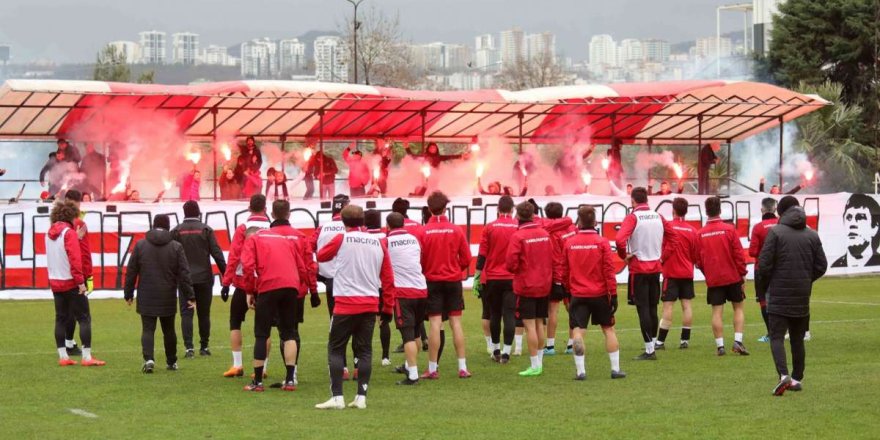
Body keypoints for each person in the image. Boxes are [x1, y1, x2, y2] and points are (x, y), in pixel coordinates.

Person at [315, 204, 394, 409]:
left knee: (335, 348)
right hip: (369, 304)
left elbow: (321, 255)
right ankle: (361, 397)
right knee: (365, 350)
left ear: (343, 221)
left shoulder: (341, 239)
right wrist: (388, 307)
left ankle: (337, 397)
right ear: (363, 221)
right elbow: (388, 278)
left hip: (344, 304)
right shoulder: (378, 243)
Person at [757, 196, 827, 396]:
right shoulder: (812, 235)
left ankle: (783, 375)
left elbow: (764, 264)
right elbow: (822, 266)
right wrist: (806, 279)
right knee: (797, 338)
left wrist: (769, 282)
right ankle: (796, 378)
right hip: (802, 295)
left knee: (777, 336)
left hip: (779, 294)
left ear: (781, 212)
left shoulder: (776, 233)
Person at [240, 200, 309, 392]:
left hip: (269, 285)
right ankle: (289, 381)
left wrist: (249, 291)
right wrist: (302, 288)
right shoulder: (284, 239)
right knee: (289, 333)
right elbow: (302, 267)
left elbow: (247, 267)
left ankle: (258, 382)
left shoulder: (254, 239)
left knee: (262, 333)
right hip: (291, 286)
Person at [124, 214, 195, 373]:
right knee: (169, 329)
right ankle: (171, 361)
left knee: (148, 329)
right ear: (168, 226)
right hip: (167, 294)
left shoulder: (141, 245)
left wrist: (128, 293)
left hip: (146, 294)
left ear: (153, 224)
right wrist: (190, 296)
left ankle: (148, 358)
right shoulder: (176, 246)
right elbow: (184, 273)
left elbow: (131, 271)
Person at [562, 206, 626, 380]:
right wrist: (613, 294)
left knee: (578, 330)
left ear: (579, 222)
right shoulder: (602, 242)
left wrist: (567, 293)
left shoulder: (569, 243)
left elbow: (564, 271)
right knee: (608, 329)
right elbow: (608, 270)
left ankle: (581, 371)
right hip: (599, 294)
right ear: (595, 222)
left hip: (578, 294)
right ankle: (615, 369)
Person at [615, 186, 673, 361]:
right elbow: (674, 238)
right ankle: (652, 344)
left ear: (632, 201)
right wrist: (663, 257)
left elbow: (619, 239)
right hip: (655, 267)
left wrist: (624, 256)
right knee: (653, 307)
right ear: (647, 199)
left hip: (639, 269)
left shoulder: (633, 217)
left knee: (643, 309)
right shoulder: (658, 216)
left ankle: (649, 350)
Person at [420, 191, 472, 379]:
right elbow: (466, 258)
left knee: (435, 323)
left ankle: (433, 369)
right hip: (453, 280)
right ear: (445, 208)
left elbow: (419, 259)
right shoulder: (456, 230)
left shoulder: (423, 231)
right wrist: (455, 269)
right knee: (456, 323)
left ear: (429, 208)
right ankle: (462, 366)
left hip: (432, 281)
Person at [46, 200, 105, 367]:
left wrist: (76, 238)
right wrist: (80, 282)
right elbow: (74, 259)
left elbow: (59, 254)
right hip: (71, 282)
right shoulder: (69, 233)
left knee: (60, 319)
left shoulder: (49, 233)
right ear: (71, 215)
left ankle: (63, 356)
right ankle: (87, 357)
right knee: (84, 318)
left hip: (56, 282)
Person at [220, 195, 271, 378]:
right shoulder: (272, 228)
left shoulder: (243, 228)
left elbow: (234, 256)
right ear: (265, 208)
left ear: (249, 208)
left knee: (235, 322)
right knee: (264, 327)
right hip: (266, 282)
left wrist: (226, 283)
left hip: (243, 282)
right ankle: (263, 367)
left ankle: (237, 365)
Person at [171, 201, 227, 358]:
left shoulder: (176, 231)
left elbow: (170, 255)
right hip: (204, 278)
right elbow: (217, 254)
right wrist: (226, 275)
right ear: (198, 212)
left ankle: (189, 348)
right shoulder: (206, 230)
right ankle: (204, 346)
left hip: (184, 280)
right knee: (204, 313)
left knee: (186, 313)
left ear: (184, 213)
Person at [696, 196, 749, 356]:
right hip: (732, 276)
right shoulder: (729, 229)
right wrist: (742, 274)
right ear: (720, 210)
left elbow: (698, 260)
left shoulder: (700, 233)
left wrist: (708, 273)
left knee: (716, 312)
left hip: (714, 278)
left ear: (706, 211)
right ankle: (738, 342)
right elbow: (739, 254)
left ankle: (720, 346)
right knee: (738, 308)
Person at [505, 201, 553, 377]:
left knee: (529, 325)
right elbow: (551, 257)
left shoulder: (518, 236)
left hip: (526, 285)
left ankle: (534, 365)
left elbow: (510, 263)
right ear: (533, 214)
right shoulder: (544, 234)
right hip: (543, 284)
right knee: (540, 323)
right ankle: (539, 362)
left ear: (518, 216)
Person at [310, 194, 353, 378]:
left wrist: (316, 271)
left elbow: (308, 248)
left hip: (331, 281)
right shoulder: (354, 228)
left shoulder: (322, 228)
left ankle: (340, 366)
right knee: (358, 324)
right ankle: (358, 365)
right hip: (352, 280)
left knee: (335, 323)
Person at [384, 212, 427, 385]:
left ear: (388, 226)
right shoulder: (414, 239)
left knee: (407, 336)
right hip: (421, 290)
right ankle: (410, 367)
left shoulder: (386, 242)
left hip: (403, 293)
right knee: (416, 332)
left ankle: (413, 375)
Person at [475, 195, 519, 363]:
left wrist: (477, 277)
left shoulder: (489, 227)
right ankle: (507, 352)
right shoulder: (517, 227)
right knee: (509, 314)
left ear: (498, 209)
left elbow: (482, 255)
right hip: (512, 278)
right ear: (512, 209)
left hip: (492, 278)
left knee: (494, 314)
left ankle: (495, 350)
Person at [657, 197, 699, 349]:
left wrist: (661, 261)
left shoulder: (667, 228)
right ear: (686, 211)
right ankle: (685, 340)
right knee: (687, 306)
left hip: (671, 273)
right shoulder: (693, 230)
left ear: (673, 210)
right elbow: (695, 255)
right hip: (687, 273)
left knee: (668, 307)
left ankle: (660, 341)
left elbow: (662, 248)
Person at [543, 202, 577, 355]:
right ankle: (571, 345)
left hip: (558, 275)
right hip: (573, 275)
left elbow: (556, 258)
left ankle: (550, 346)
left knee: (553, 311)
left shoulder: (550, 233)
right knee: (572, 309)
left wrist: (556, 280)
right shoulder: (572, 228)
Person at [61, 190, 93, 356]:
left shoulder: (57, 224)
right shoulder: (78, 223)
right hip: (75, 273)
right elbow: (83, 253)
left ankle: (67, 344)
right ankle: (83, 352)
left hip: (61, 273)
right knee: (82, 315)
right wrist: (87, 275)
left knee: (65, 312)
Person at [364, 209, 392, 366]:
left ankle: (363, 355)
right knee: (383, 321)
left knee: (366, 323)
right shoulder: (386, 238)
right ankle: (385, 356)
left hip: (368, 284)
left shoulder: (363, 238)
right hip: (383, 284)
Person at [749, 197, 779, 343]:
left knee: (763, 301)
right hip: (780, 268)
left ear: (762, 210)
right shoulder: (782, 224)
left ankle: (771, 333)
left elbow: (752, 251)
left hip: (761, 269)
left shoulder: (758, 227)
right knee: (782, 299)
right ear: (775, 209)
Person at [831, 194, 880, 267]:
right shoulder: (836, 266)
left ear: (875, 228)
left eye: (860, 217)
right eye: (849, 217)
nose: (852, 224)